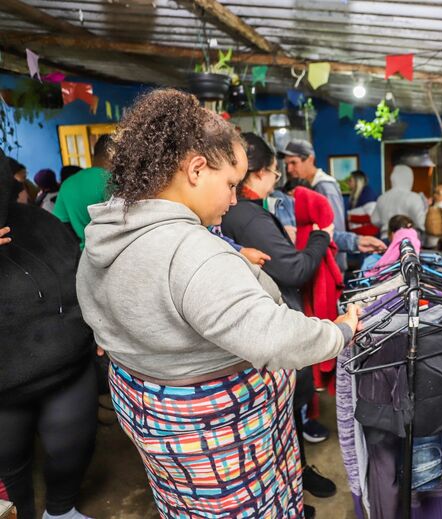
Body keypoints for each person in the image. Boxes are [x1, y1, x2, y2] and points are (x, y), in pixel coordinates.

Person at [76, 89, 359, 518]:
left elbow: (106, 312)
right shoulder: (194, 254)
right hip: (220, 443)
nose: (233, 199)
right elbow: (275, 337)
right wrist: (340, 331)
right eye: (230, 184)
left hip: (155, 423)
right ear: (195, 169)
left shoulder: (106, 232)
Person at [219, 133, 338, 518]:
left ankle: (295, 482)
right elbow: (295, 268)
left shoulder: (236, 214)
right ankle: (288, 494)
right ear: (258, 173)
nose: (279, 179)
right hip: (270, 327)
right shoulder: (248, 215)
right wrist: (322, 237)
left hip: (254, 331)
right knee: (280, 415)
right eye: (275, 171)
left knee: (283, 416)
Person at [0, 149, 97, 519]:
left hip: (66, 369)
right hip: (4, 391)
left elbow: (82, 279)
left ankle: (61, 509)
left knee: (71, 447)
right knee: (9, 469)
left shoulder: (38, 223)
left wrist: (99, 329)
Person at [281, 139, 385, 268]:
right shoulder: (309, 186)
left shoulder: (325, 187)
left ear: (310, 159)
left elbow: (334, 229)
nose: (289, 169)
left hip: (330, 262)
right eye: (287, 164)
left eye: (293, 163)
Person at [53, 135, 111, 249]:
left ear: (94, 155)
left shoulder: (68, 184)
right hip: (114, 253)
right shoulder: (115, 181)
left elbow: (60, 224)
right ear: (112, 155)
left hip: (84, 254)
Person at [371, 164, 427, 238]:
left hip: (385, 238)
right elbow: (421, 223)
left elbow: (375, 220)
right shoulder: (414, 198)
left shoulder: (382, 197)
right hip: (407, 240)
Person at [424, 183, 442, 249]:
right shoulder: (433, 206)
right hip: (429, 240)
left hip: (439, 241)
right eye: (434, 192)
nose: (435, 195)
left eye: (438, 193)